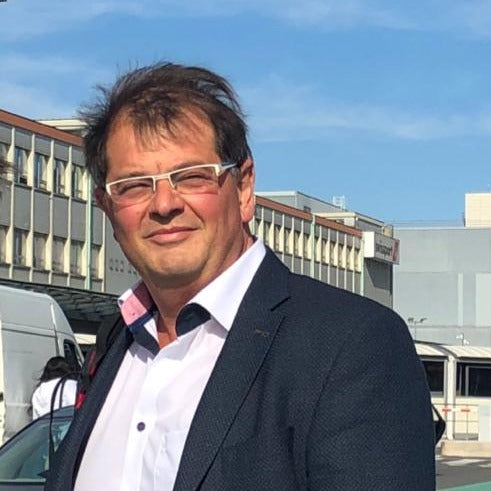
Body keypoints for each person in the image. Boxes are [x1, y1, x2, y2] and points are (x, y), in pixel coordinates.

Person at [46, 62, 435, 491]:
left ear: (244, 188)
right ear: (106, 206)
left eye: (191, 177)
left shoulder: (350, 345)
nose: (164, 204)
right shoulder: (115, 343)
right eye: (135, 185)